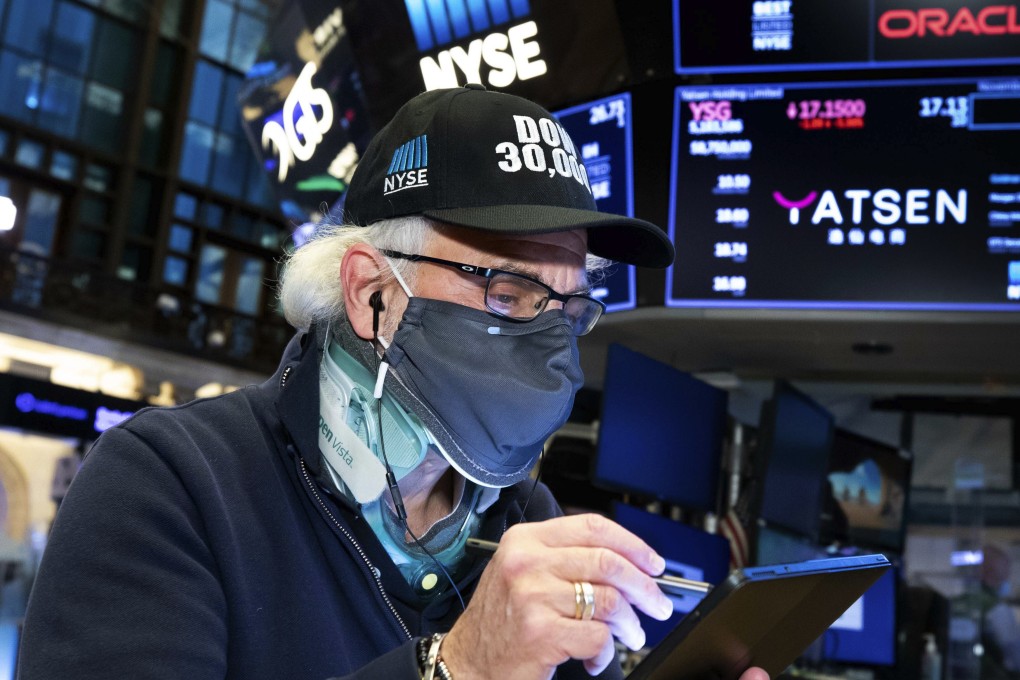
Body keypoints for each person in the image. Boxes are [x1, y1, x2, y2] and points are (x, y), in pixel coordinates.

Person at [17, 85, 769, 680]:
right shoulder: (170, 486)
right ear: (371, 292)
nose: (548, 344)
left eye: (567, 309)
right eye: (508, 293)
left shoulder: (526, 521)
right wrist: (455, 669)